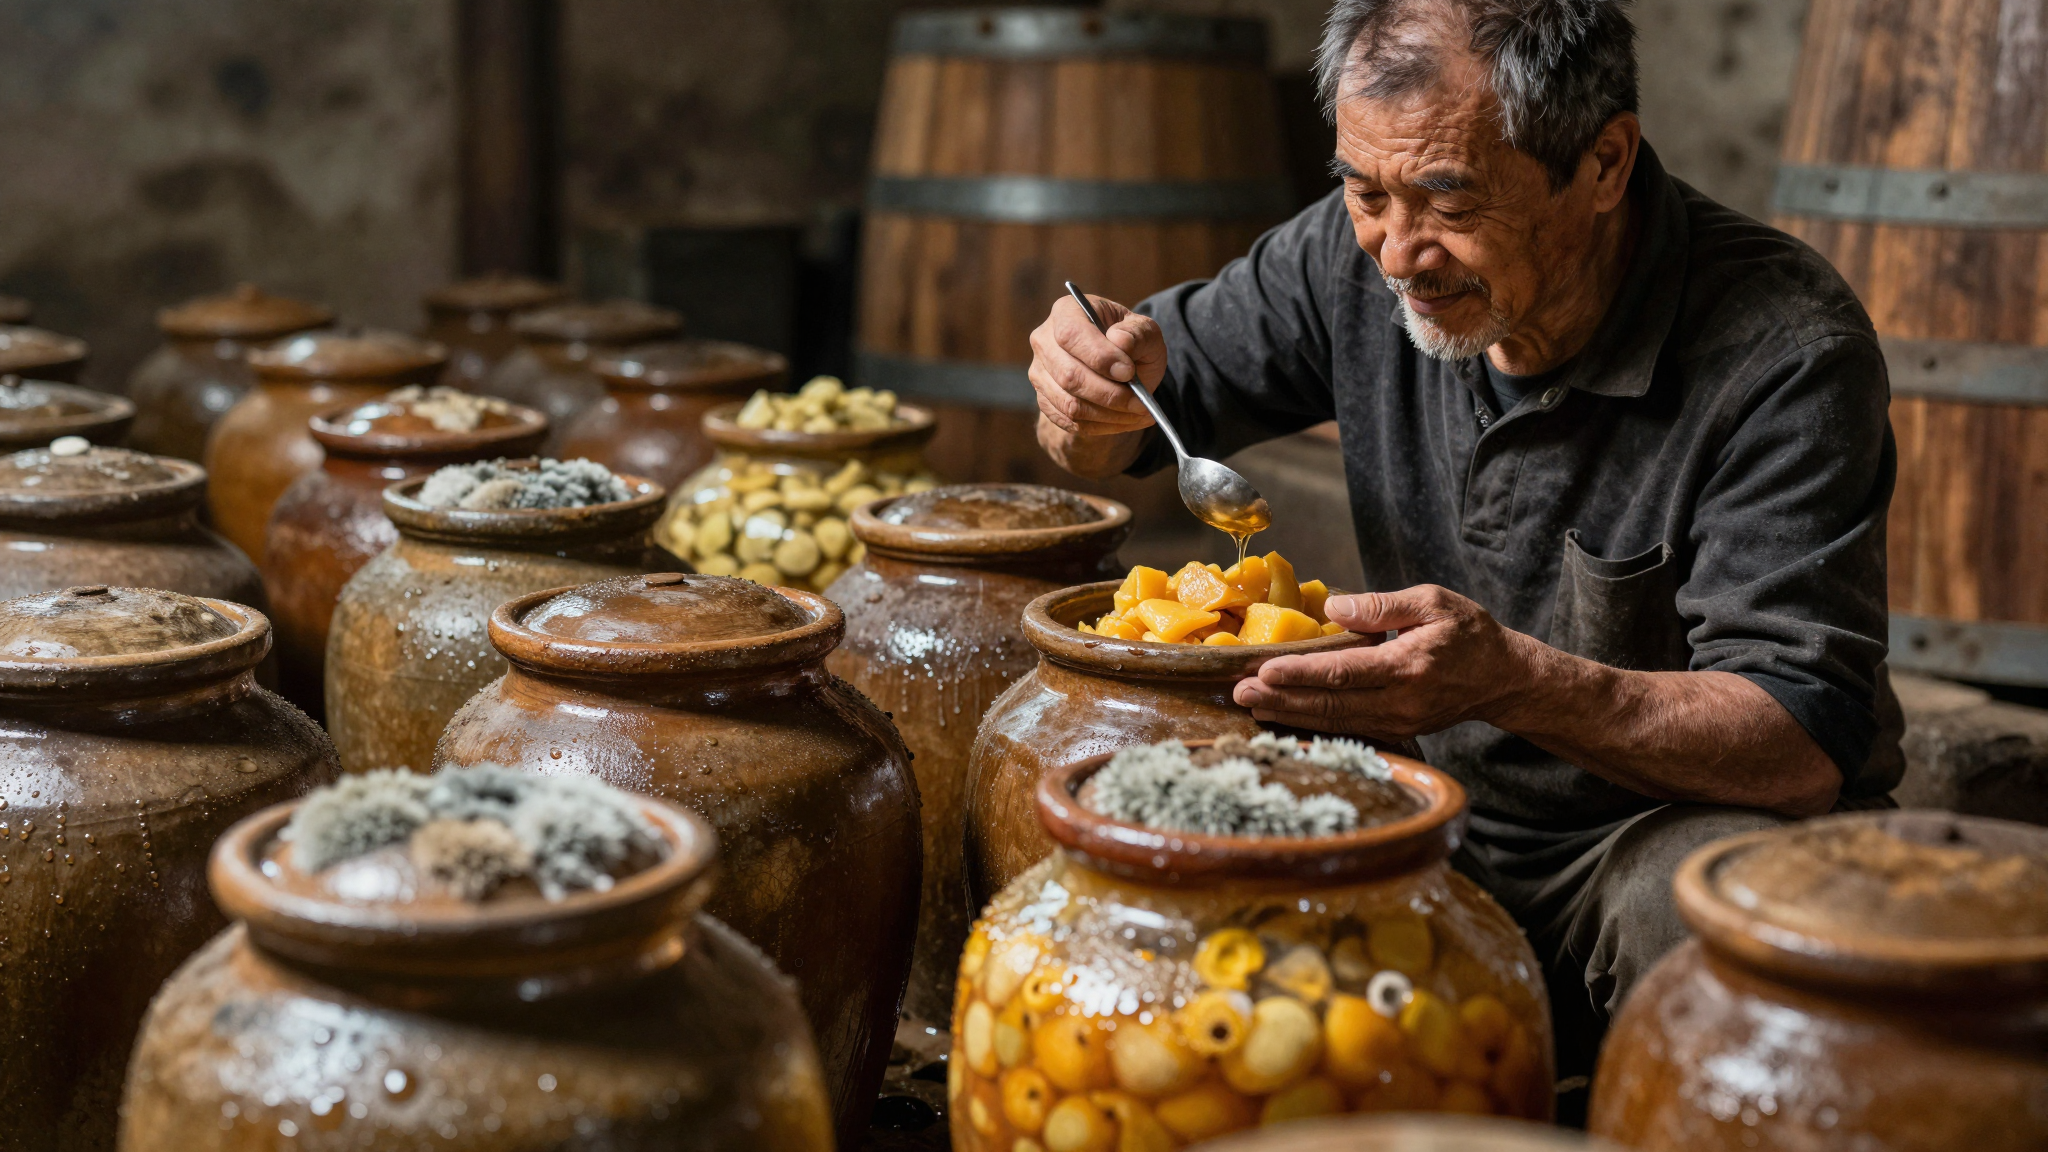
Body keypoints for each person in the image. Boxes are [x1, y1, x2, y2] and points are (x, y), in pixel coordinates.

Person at [1027, 0, 1901, 1099]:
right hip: (1434, 814)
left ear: (1602, 162)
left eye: (1448, 199)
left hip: (1652, 827)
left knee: (1693, 911)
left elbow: (1795, 741)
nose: (1397, 251)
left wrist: (1508, 684)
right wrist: (1085, 400)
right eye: (1362, 192)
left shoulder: (1782, 351)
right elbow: (1131, 431)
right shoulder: (1348, 260)